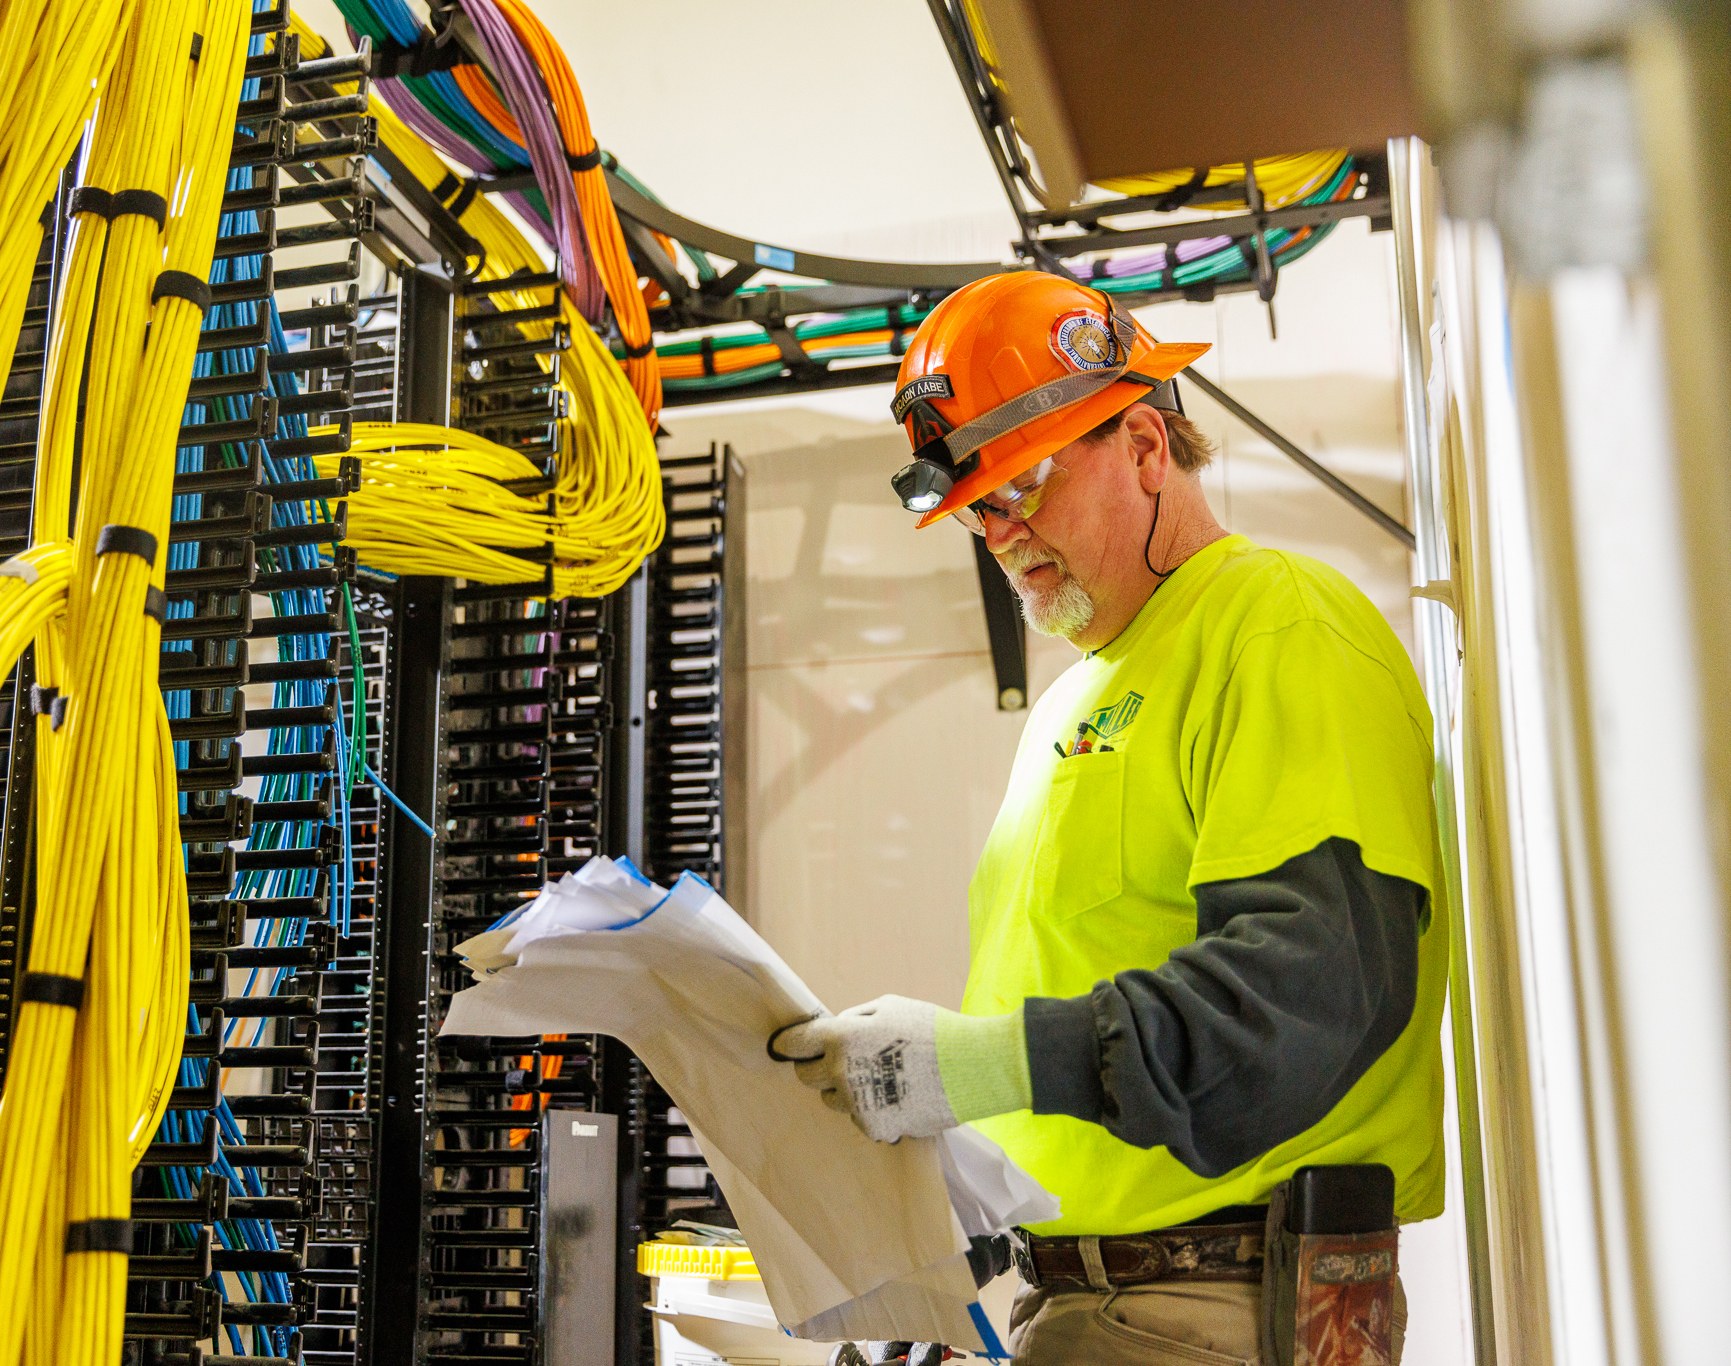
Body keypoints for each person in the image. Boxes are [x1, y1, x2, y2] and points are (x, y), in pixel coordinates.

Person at [772, 272, 1448, 1365]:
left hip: (1214, 1307)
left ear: (1142, 444)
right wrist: (962, 1274)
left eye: (1021, 489)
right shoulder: (1070, 703)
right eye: (975, 511)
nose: (998, 534)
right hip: (1070, 1298)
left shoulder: (1278, 627)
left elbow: (1304, 1000)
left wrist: (970, 1066)